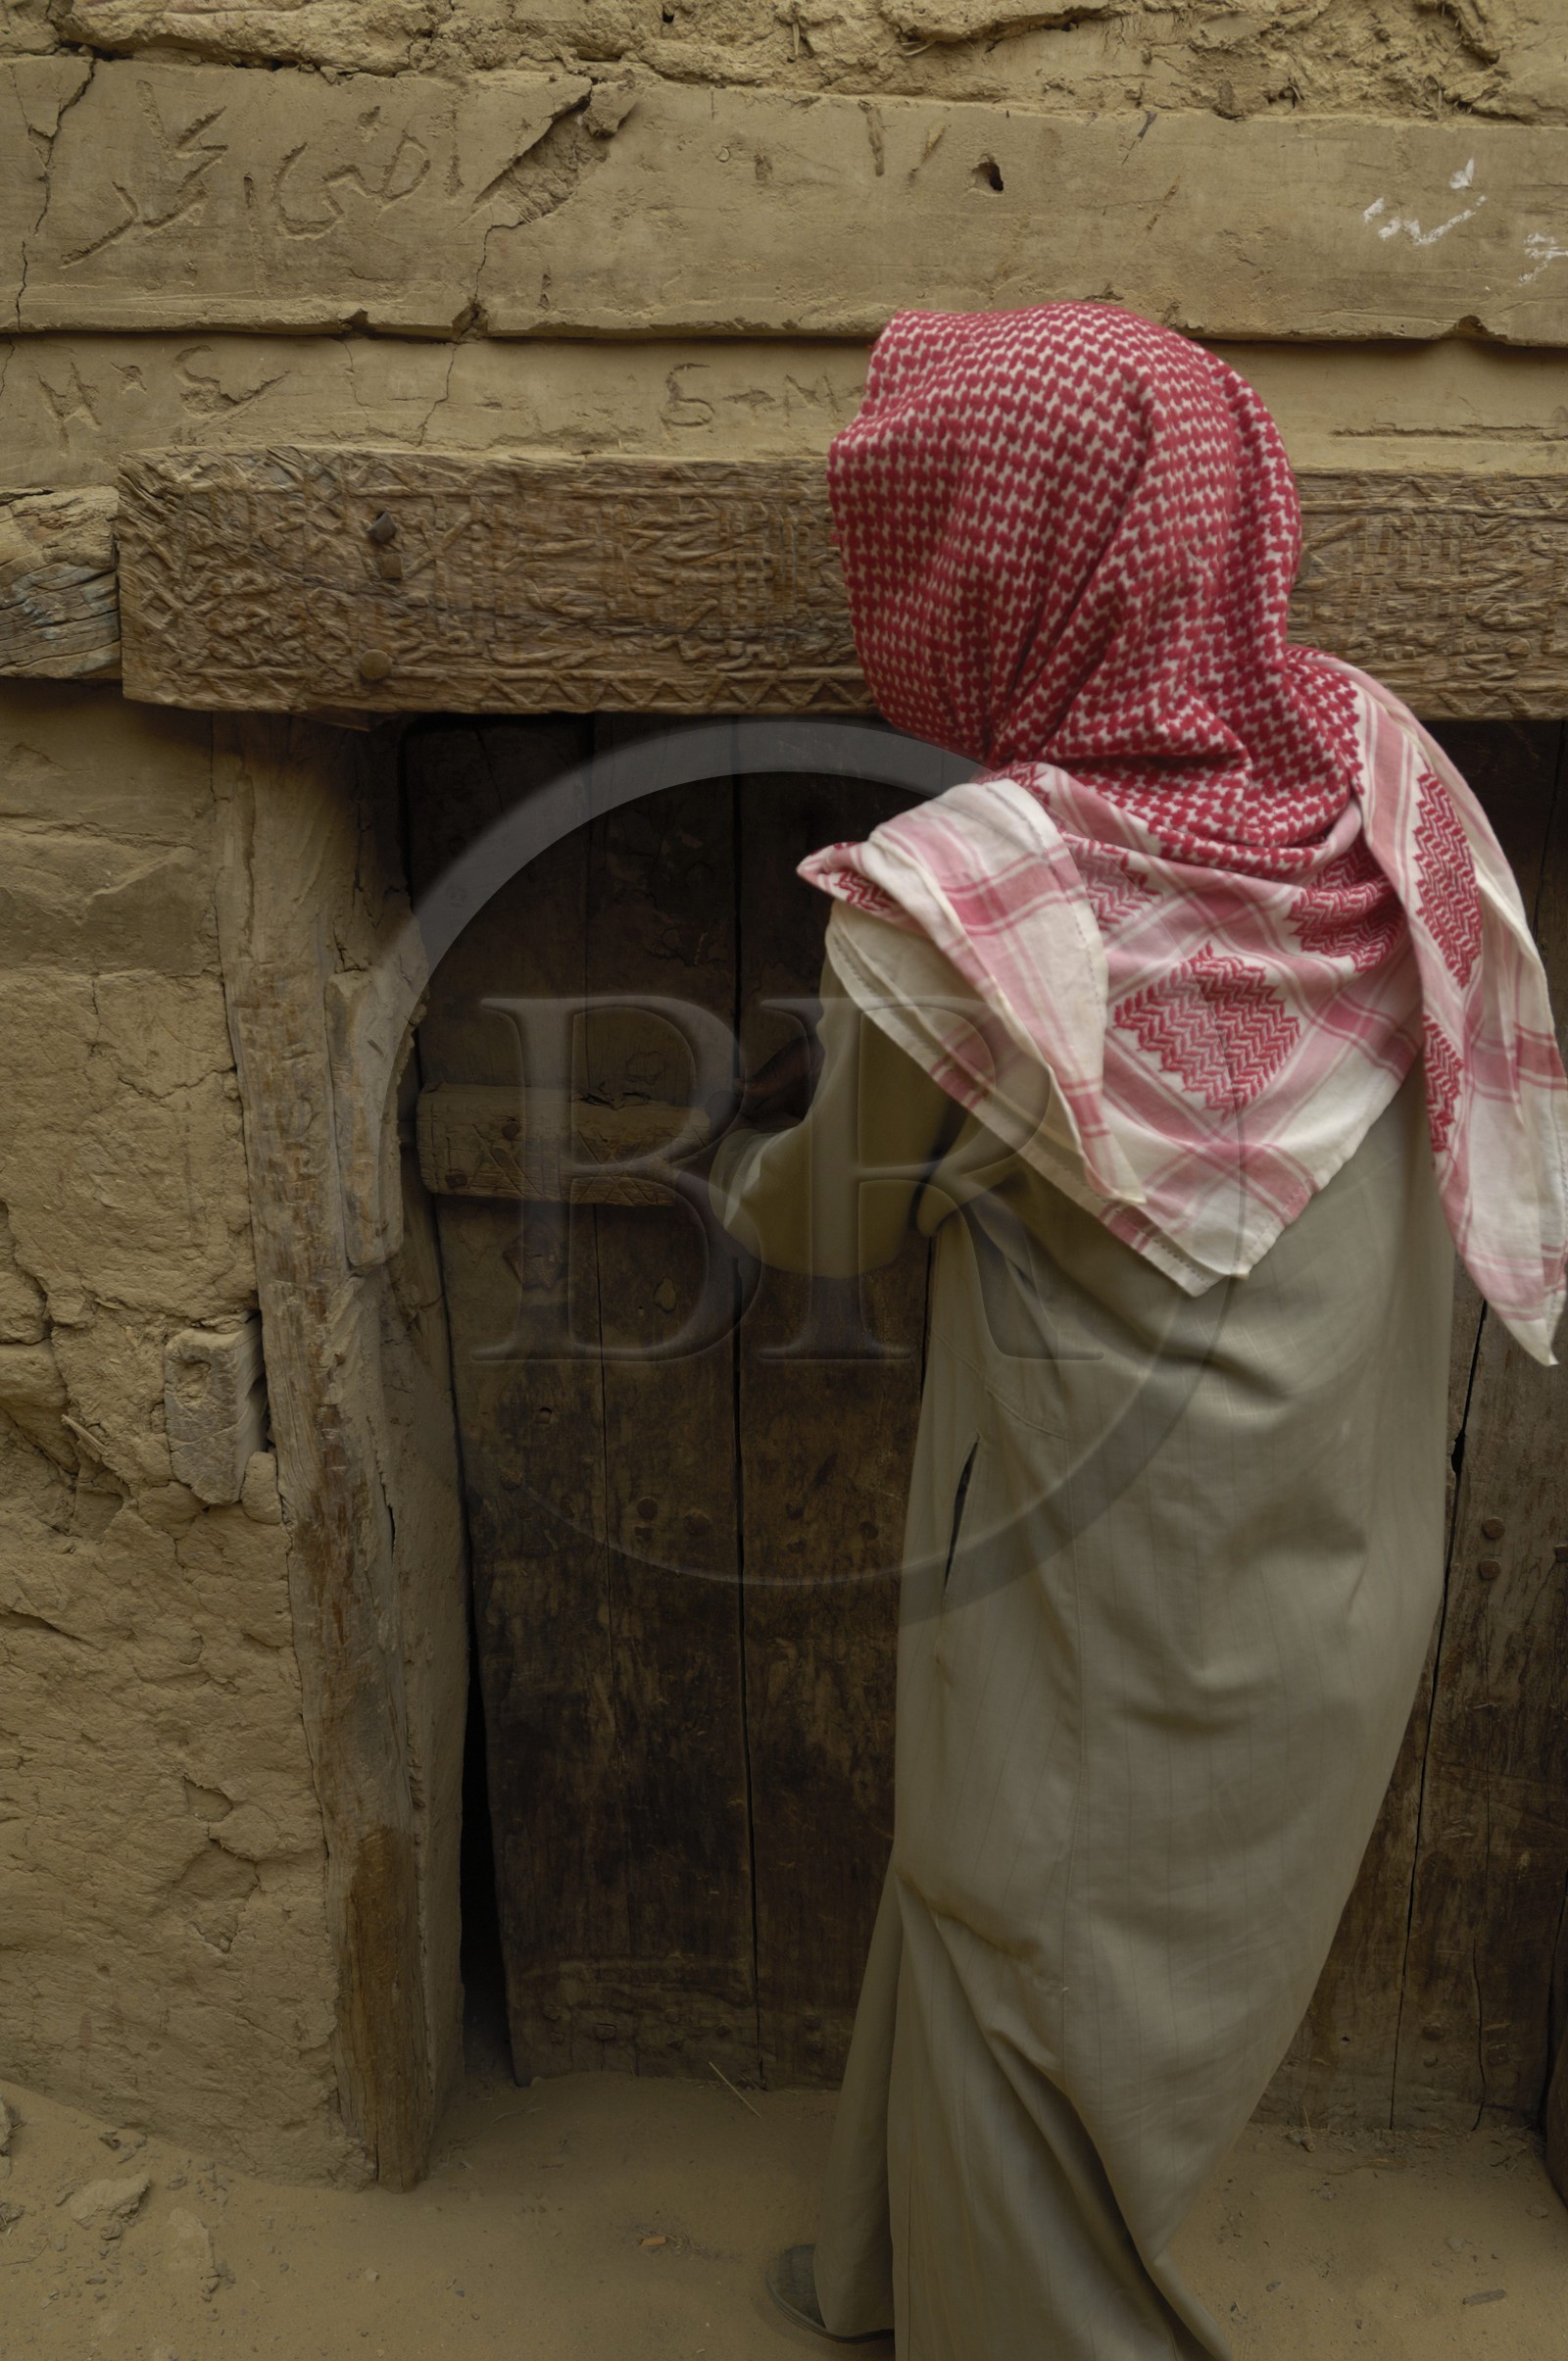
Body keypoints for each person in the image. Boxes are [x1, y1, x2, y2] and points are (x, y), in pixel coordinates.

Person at [706, 304, 1568, 2360]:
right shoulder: (1367, 761)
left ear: (990, 565)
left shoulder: (958, 898)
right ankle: (883, 2266)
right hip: (1337, 1530)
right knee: (1013, 1907)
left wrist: (727, 1179)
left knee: (1027, 1951)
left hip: (1105, 1564)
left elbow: (832, 1212)